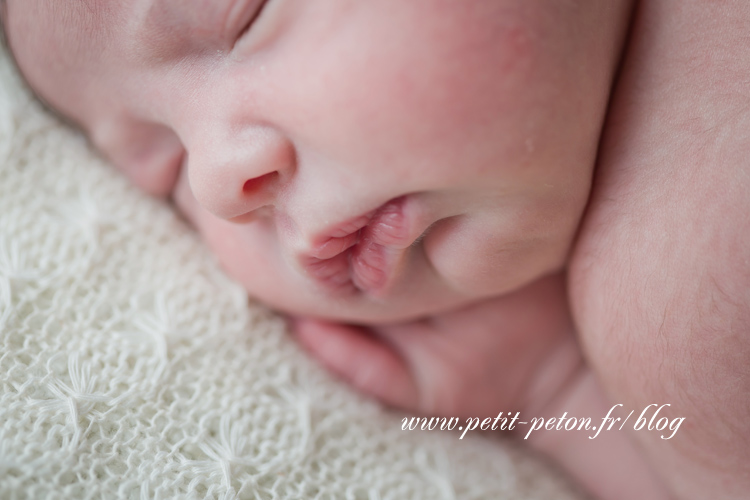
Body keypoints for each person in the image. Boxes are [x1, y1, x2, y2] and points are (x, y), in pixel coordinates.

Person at [3, 1, 748, 498]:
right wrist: (551, 391)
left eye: (240, 16)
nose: (219, 181)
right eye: (166, 171)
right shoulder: (613, 362)